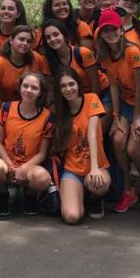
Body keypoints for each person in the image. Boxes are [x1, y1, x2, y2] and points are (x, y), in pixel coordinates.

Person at [94, 8, 140, 214]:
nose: (110, 33)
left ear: (121, 30)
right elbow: (113, 86)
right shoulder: (105, 55)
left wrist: (137, 118)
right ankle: (128, 190)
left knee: (134, 149)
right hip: (126, 103)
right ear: (101, 34)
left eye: (114, 29)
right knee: (118, 141)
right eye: (106, 30)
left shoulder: (132, 51)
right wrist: (115, 117)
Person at [0, 71, 54, 215]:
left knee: (43, 179)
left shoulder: (47, 116)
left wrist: (24, 168)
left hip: (29, 167)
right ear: (20, 87)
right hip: (7, 165)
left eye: (34, 88)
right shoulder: (6, 108)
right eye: (26, 86)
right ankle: (3, 195)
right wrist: (10, 165)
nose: (29, 91)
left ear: (41, 92)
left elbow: (43, 153)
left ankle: (30, 196)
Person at [51, 71, 111, 223]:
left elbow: (91, 133)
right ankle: (78, 196)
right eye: (63, 86)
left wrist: (95, 167)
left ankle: (94, 198)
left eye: (71, 84)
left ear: (78, 85)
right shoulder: (59, 112)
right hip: (73, 169)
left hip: (96, 166)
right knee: (72, 217)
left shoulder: (92, 99)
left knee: (98, 183)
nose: (68, 89)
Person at [40, 19, 106, 98]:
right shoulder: (47, 60)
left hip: (100, 92)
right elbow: (52, 90)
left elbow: (96, 84)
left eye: (56, 34)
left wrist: (90, 105)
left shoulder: (83, 53)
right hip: (73, 97)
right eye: (48, 37)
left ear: (64, 35)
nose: (53, 39)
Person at [0, 25, 45, 109]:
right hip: (5, 106)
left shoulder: (37, 58)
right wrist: (6, 112)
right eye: (21, 39)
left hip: (32, 106)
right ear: (11, 40)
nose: (25, 43)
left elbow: (44, 85)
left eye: (29, 41)